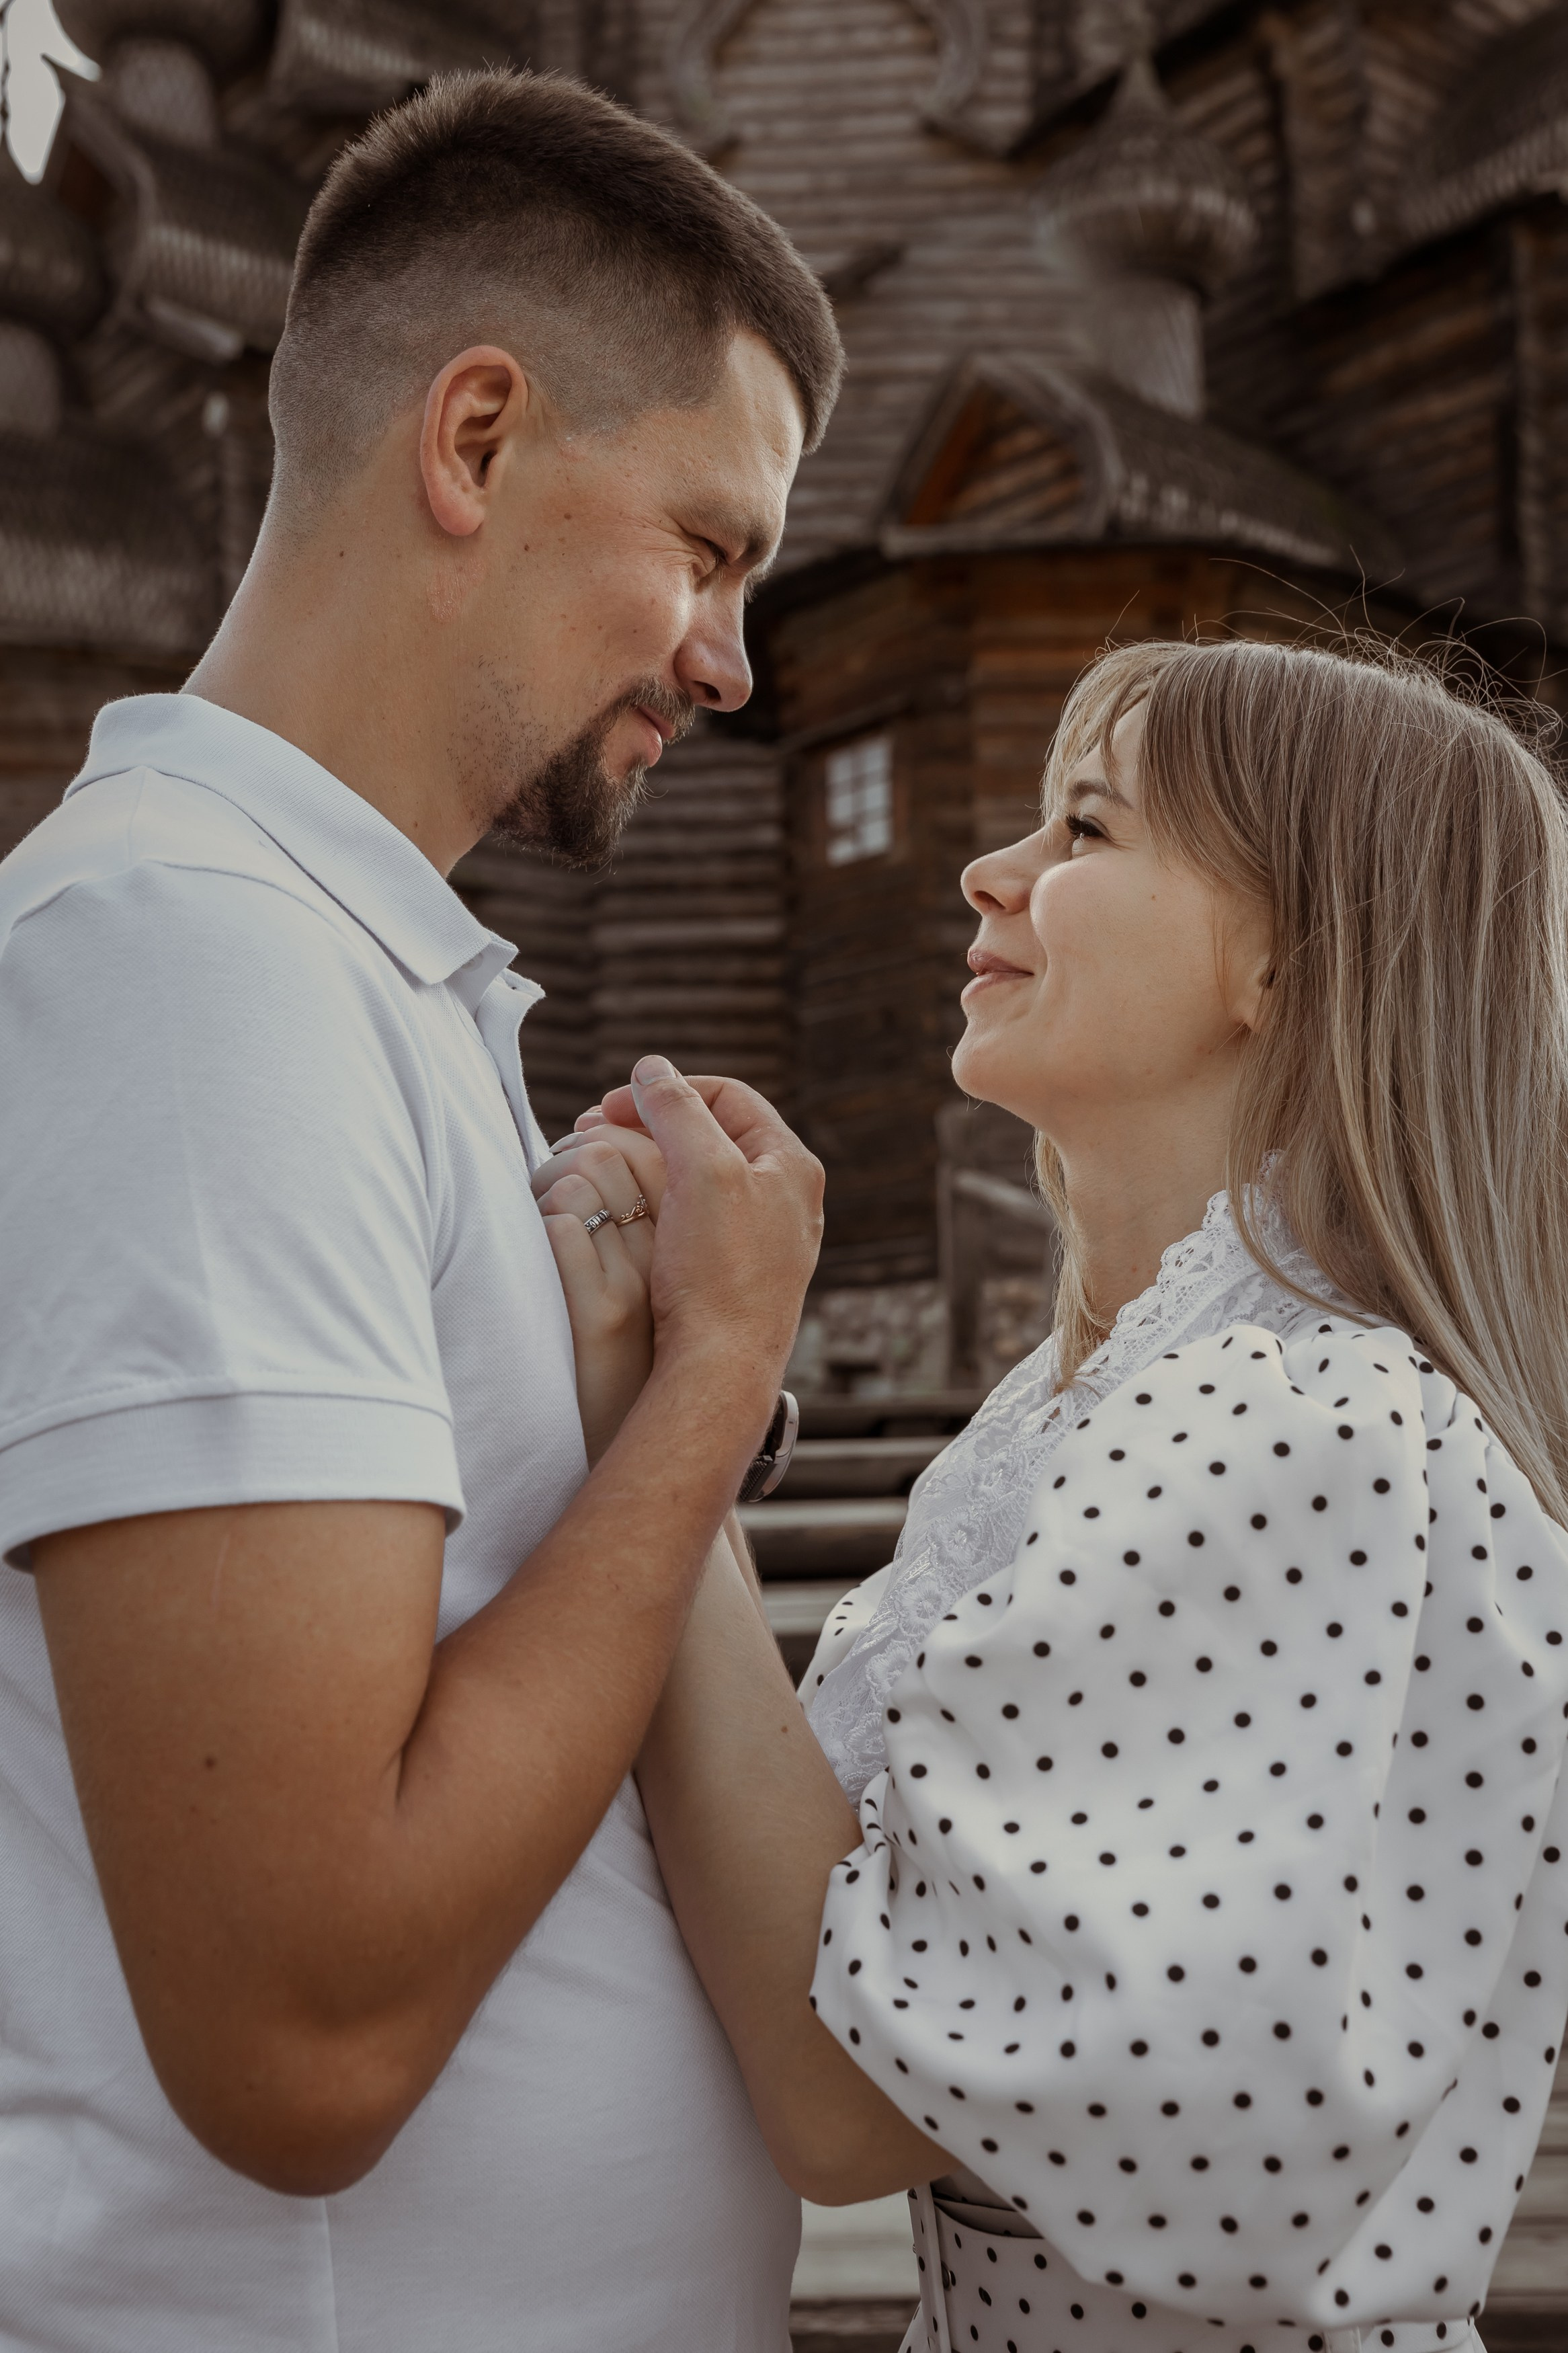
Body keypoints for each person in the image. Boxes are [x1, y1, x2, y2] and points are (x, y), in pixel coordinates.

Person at [0, 67, 841, 2353]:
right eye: (711, 543)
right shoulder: (190, 972)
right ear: (472, 441)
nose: (730, 662)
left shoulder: (355, 982)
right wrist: (716, 1379)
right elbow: (306, 2038)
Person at [542, 637, 1568, 2353]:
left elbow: (855, 2107)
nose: (991, 869)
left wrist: (680, 1410)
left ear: (1285, 959)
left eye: (1086, 828)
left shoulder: (1290, 1419)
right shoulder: (1114, 1405)